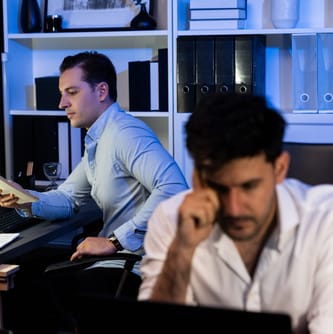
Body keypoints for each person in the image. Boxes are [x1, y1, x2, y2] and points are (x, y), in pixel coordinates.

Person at [0, 51, 188, 332]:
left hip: (136, 267)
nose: (62, 103)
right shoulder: (99, 138)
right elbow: (69, 198)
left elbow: (175, 190)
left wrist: (115, 242)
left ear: (102, 90)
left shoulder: (125, 134)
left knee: (22, 290)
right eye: (62, 93)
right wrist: (23, 198)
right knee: (24, 274)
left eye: (72, 92)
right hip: (119, 261)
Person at [138, 93, 333, 333]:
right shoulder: (171, 219)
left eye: (249, 186)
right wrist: (182, 250)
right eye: (219, 187)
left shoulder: (325, 220)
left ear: (280, 168)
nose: (234, 208)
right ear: (197, 177)